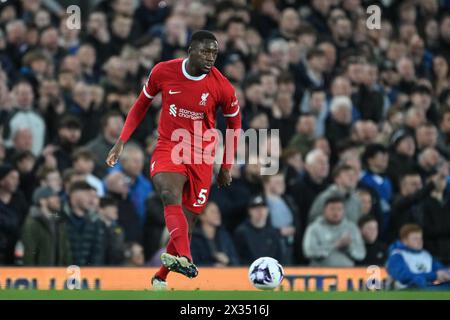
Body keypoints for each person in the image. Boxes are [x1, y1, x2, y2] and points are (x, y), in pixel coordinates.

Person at [105, 31, 241, 289]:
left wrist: (226, 166)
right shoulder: (163, 71)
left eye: (214, 52)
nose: (211, 57)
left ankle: (161, 277)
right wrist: (122, 139)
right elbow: (141, 104)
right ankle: (187, 259)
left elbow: (235, 125)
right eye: (205, 51)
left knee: (186, 225)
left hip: (202, 156)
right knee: (169, 193)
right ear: (190, 50)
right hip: (170, 146)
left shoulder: (222, 86)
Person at [303, 196, 366, 267]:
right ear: (324, 210)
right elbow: (309, 252)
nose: (336, 213)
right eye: (332, 209)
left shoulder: (352, 228)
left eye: (339, 209)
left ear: (344, 211)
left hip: (347, 274)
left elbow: (361, 254)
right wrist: (336, 245)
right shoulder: (314, 228)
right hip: (321, 274)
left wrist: (349, 248)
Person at [386, 224, 450, 290]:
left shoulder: (426, 255)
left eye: (420, 238)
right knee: (418, 281)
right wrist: (434, 275)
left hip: (427, 288)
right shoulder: (397, 256)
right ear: (404, 241)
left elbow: (440, 269)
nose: (419, 241)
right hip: (405, 291)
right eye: (415, 239)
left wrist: (446, 272)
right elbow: (404, 277)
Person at [21, 186, 71, 266]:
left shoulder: (60, 221)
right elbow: (29, 254)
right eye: (53, 196)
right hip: (40, 276)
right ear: (42, 201)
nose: (58, 199)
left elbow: (66, 251)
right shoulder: (32, 223)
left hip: (59, 275)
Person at [62, 181, 105, 266]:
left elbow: (97, 254)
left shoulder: (95, 222)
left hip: (87, 276)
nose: (91, 200)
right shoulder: (59, 219)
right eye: (87, 195)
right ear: (75, 195)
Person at [233, 195, 284, 265]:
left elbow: (280, 258)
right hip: (247, 273)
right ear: (249, 211)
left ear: (267, 210)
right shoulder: (241, 232)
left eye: (263, 207)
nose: (260, 211)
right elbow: (237, 258)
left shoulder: (273, 232)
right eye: (256, 208)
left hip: (270, 273)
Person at [190, 202, 239, 266]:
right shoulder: (193, 238)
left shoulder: (224, 236)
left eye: (218, 212)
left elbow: (237, 262)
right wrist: (213, 266)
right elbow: (191, 264)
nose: (217, 215)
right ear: (202, 216)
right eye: (213, 212)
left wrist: (228, 261)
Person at [98, 197, 126, 265]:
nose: (116, 209)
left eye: (116, 207)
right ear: (101, 210)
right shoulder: (94, 228)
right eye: (111, 207)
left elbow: (119, 249)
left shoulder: (118, 229)